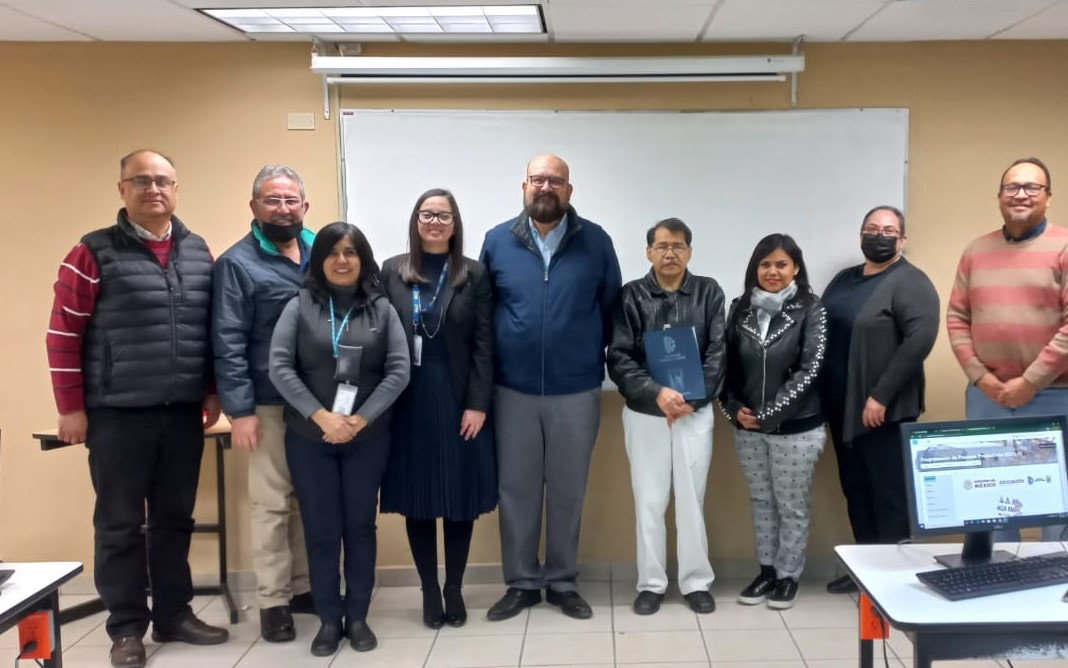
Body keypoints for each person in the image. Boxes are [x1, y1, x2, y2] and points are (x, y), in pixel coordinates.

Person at [46, 149, 228, 668]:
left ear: (176, 189)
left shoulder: (198, 252)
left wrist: (212, 390)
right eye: (142, 180)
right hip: (117, 414)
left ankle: (174, 614)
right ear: (122, 189)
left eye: (163, 180)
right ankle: (126, 628)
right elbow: (63, 333)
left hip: (182, 413)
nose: (154, 189)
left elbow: (209, 330)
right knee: (119, 525)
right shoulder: (92, 252)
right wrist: (71, 407)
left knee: (174, 520)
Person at [480, 153, 622, 621]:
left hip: (575, 389)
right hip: (512, 390)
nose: (546, 187)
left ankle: (562, 582)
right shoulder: (497, 241)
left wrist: (583, 354)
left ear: (569, 190)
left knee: (567, 490)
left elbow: (612, 310)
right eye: (538, 179)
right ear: (523, 186)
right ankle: (522, 582)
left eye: (555, 180)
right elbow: (484, 312)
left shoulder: (596, 241)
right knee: (516, 490)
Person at [268, 222, 410, 656]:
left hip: (368, 438)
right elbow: (280, 367)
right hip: (309, 438)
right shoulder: (299, 305)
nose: (342, 260)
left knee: (360, 527)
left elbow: (399, 370)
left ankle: (358, 616)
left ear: (363, 259)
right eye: (332, 252)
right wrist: (322, 417)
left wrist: (360, 420)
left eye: (350, 252)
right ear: (319, 259)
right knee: (321, 529)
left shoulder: (382, 309)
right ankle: (329, 619)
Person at [380, 189, 497, 628]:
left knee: (459, 498)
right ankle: (430, 591)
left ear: (455, 224)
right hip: (407, 402)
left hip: (459, 399)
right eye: (427, 214)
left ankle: (454, 589)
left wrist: (478, 404)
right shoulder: (392, 270)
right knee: (419, 499)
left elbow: (485, 343)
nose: (434, 221)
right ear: (416, 220)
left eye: (443, 215)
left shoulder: (473, 273)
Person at [212, 165, 316, 643]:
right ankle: (274, 601)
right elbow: (227, 340)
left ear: (305, 206)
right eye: (272, 200)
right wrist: (240, 411)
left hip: (317, 403)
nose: (283, 209)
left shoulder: (322, 252)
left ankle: (303, 588)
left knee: (306, 499)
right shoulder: (237, 264)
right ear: (254, 206)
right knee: (272, 503)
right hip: (267, 402)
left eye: (291, 200)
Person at [607, 218, 724, 616]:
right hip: (646, 413)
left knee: (692, 501)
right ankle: (651, 584)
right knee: (649, 501)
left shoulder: (708, 292)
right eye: (661, 246)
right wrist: (657, 393)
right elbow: (619, 356)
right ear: (649, 252)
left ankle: (696, 582)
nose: (669, 253)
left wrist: (693, 397)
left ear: (689, 252)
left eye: (677, 246)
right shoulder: (631, 296)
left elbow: (718, 353)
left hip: (694, 414)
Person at [947, 157, 1068, 542]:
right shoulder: (976, 250)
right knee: (992, 502)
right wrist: (980, 377)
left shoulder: (1064, 246)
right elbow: (957, 318)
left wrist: (1031, 381)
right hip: (989, 397)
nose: (1021, 194)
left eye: (1032, 187)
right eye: (1012, 187)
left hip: (1054, 396)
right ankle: (997, 576)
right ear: (1000, 196)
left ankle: (1057, 580)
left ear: (1048, 197)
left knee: (1058, 507)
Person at [821, 206, 940, 594]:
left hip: (883, 412)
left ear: (902, 239)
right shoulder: (845, 279)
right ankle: (866, 572)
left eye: (889, 230)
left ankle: (894, 580)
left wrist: (880, 396)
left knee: (888, 496)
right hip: (842, 408)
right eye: (872, 229)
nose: (879, 235)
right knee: (857, 492)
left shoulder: (910, 281)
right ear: (861, 235)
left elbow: (918, 342)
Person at [720, 234, 826, 610]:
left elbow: (810, 368)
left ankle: (788, 576)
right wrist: (734, 408)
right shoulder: (740, 308)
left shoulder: (811, 308)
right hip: (747, 428)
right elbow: (725, 366)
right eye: (765, 264)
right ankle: (767, 572)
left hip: (797, 427)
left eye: (781, 264)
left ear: (795, 268)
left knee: (791, 503)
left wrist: (768, 415)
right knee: (762, 500)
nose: (772, 271)